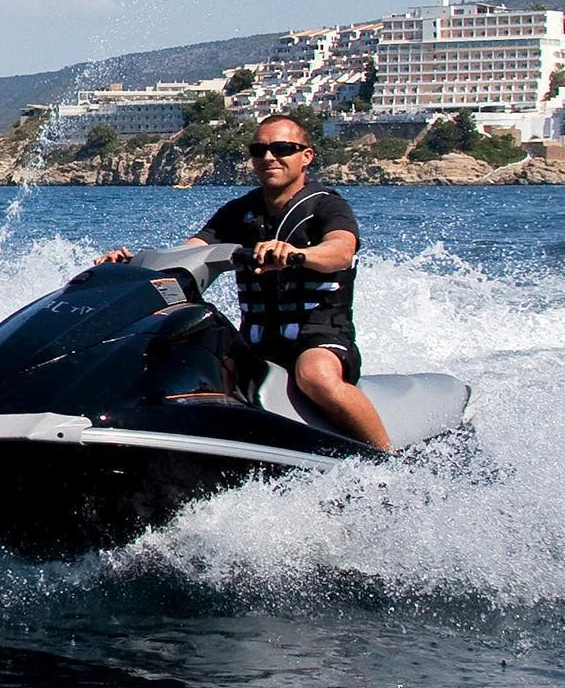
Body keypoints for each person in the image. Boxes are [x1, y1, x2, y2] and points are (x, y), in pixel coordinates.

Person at [118, 114, 387, 450]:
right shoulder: (238, 212)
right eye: (259, 150)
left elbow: (341, 250)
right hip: (257, 342)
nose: (269, 157)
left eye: (282, 148)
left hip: (319, 338)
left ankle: (388, 458)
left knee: (315, 376)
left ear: (306, 156)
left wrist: (297, 254)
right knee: (181, 363)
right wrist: (133, 264)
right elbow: (189, 253)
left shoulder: (327, 206)